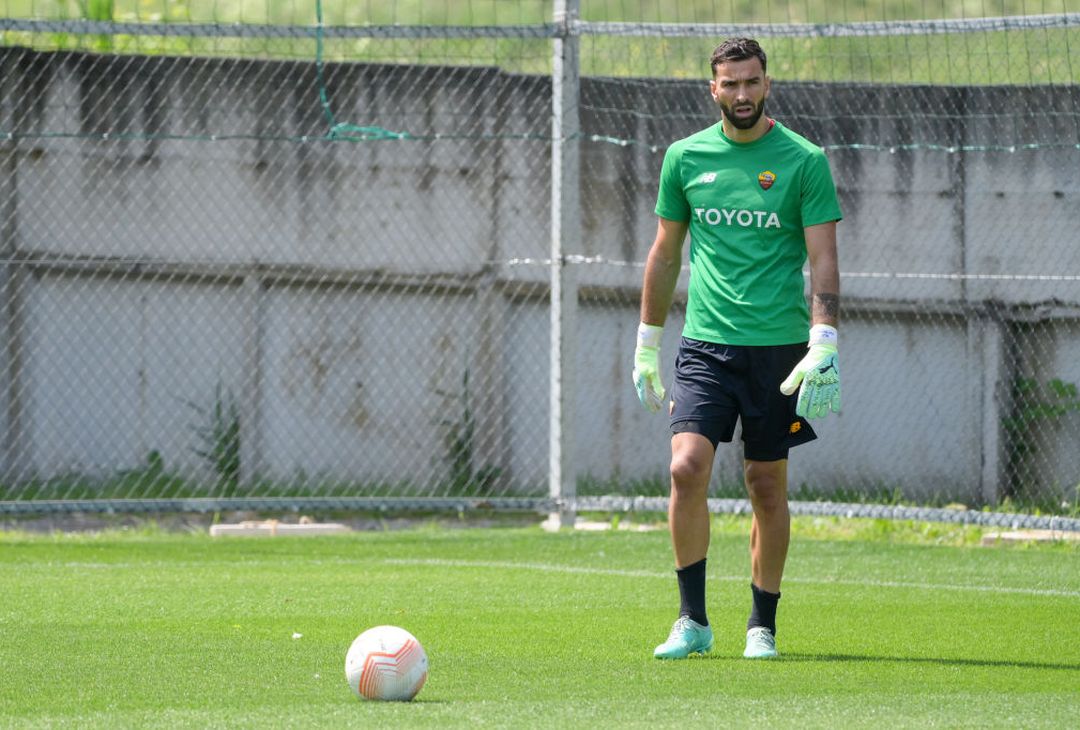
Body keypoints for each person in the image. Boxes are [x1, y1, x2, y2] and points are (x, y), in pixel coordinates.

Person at [632, 37, 842, 660]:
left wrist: (824, 337)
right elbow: (665, 253)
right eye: (731, 83)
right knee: (685, 467)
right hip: (705, 347)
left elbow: (823, 257)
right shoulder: (684, 157)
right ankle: (692, 621)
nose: (742, 93)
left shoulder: (804, 160)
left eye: (752, 82)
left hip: (779, 352)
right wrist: (647, 343)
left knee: (765, 484)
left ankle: (761, 624)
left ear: (767, 84)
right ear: (713, 89)